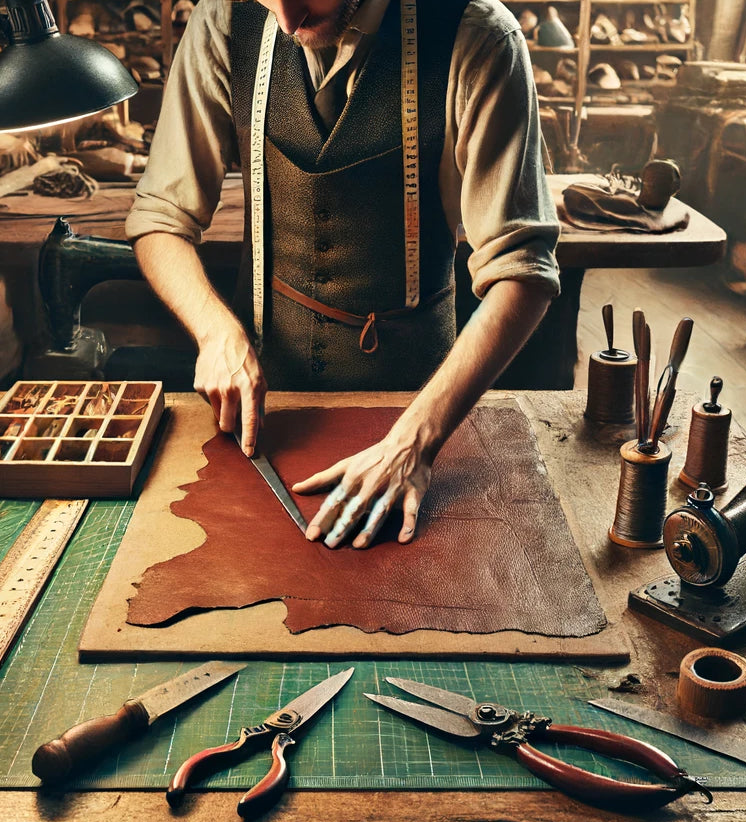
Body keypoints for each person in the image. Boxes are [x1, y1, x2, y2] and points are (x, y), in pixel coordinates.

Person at [126, 0, 560, 549]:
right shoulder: (224, 21)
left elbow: (522, 270)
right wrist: (216, 332)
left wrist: (415, 444)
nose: (285, 19)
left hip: (420, 408)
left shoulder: (477, 37)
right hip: (270, 411)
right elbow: (160, 219)